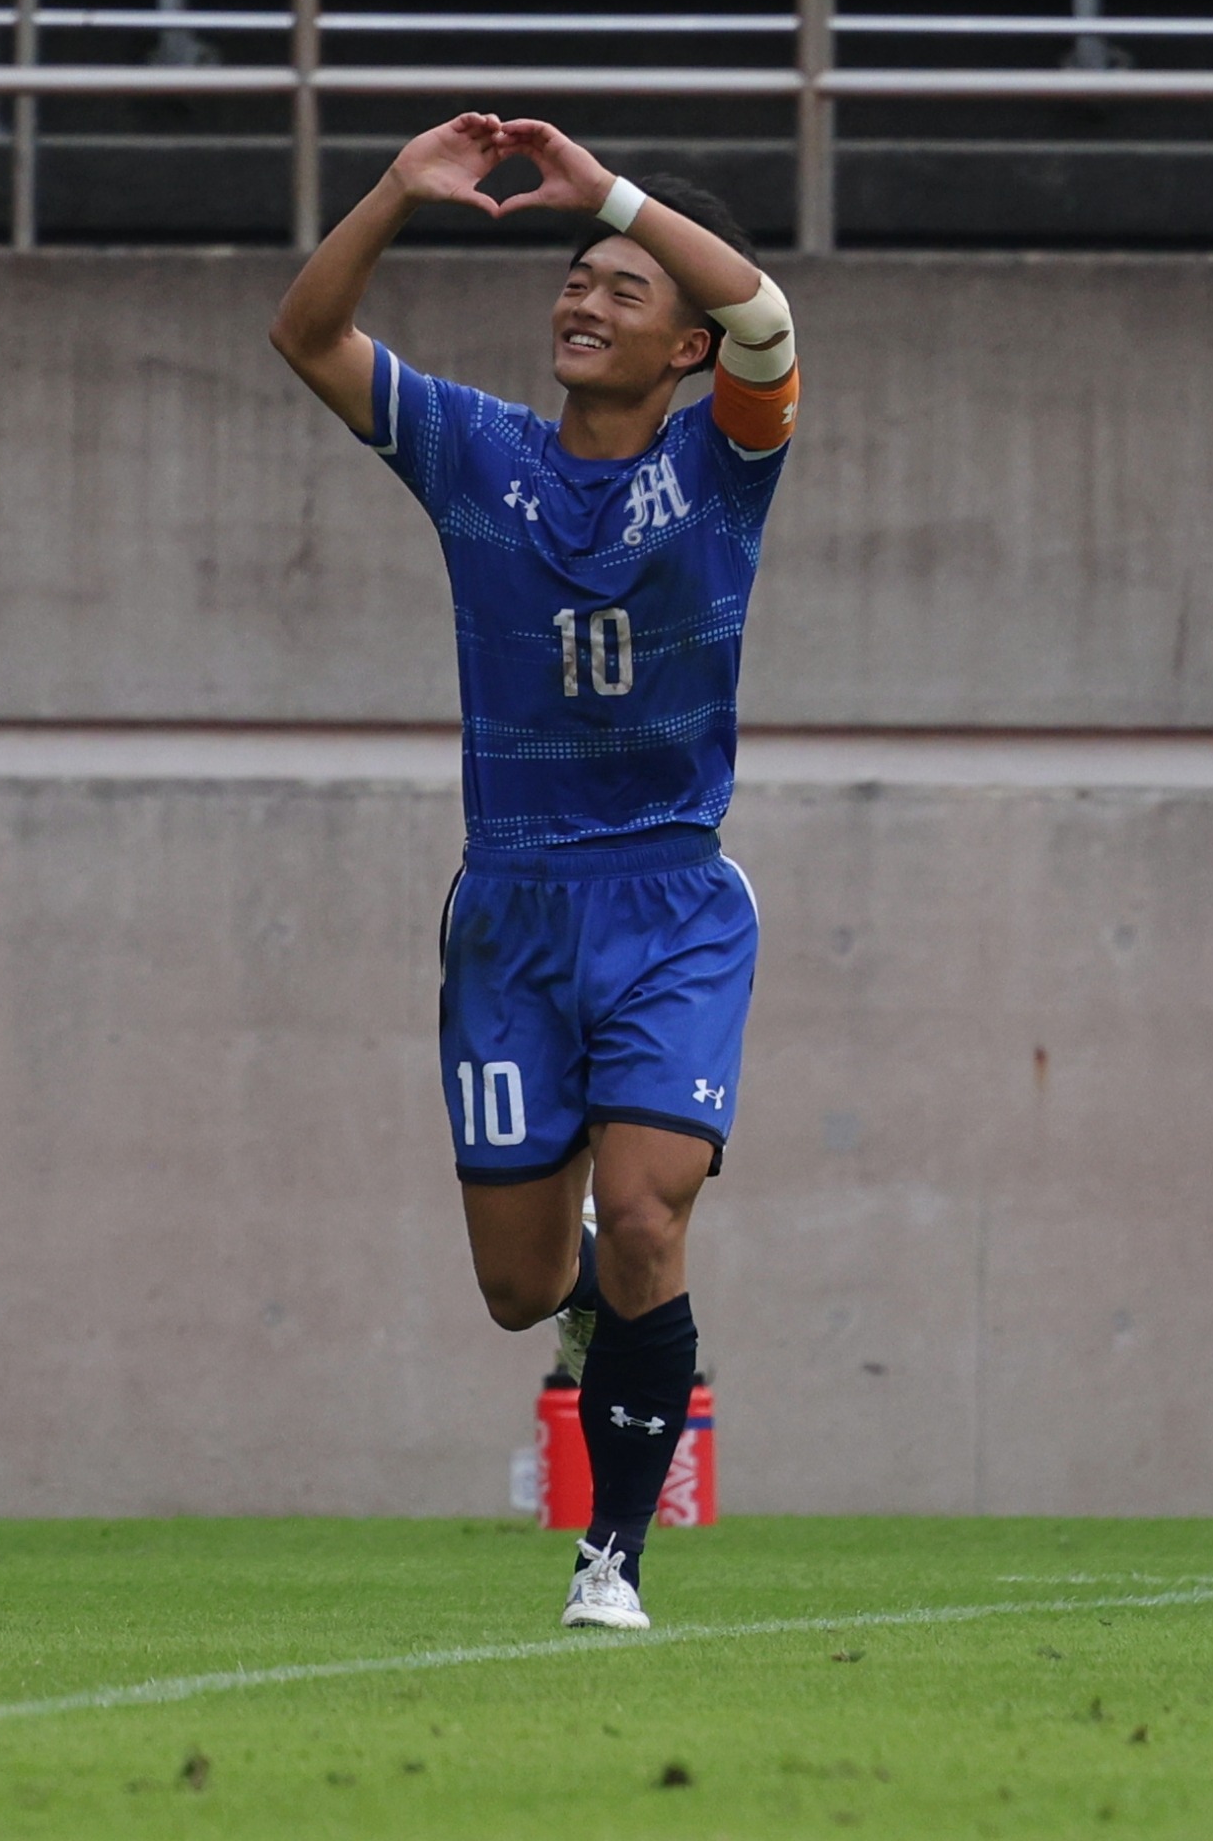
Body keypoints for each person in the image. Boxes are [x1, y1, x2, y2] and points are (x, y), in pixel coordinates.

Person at [269, 114, 800, 1631]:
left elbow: (769, 317)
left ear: (686, 346)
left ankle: (611, 1565)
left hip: (673, 904)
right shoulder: (476, 455)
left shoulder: (727, 460)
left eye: (624, 287)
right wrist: (398, 192)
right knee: (520, 1285)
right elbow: (306, 333)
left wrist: (617, 188)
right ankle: (594, 1299)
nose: (583, 298)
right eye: (576, 278)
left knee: (645, 1219)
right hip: (509, 909)